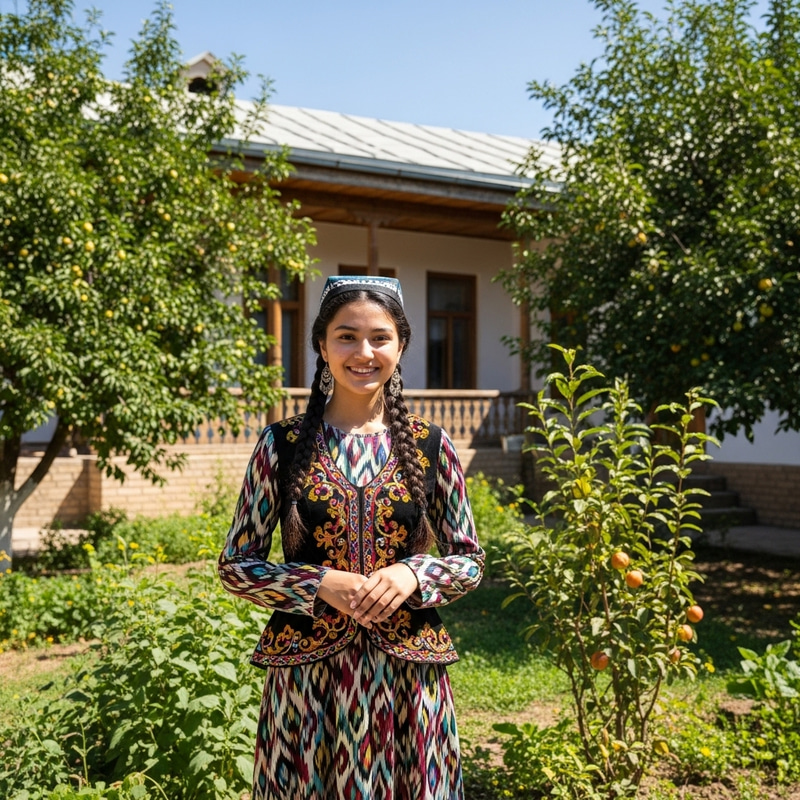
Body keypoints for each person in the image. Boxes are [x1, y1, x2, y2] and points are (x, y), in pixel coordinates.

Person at [218, 275, 485, 800]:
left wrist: (414, 572)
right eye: (346, 336)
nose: (364, 352)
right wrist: (318, 583)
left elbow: (469, 560)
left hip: (409, 678)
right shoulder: (282, 444)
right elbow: (236, 565)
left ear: (401, 345)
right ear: (321, 345)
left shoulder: (432, 445)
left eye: (380, 338)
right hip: (308, 684)